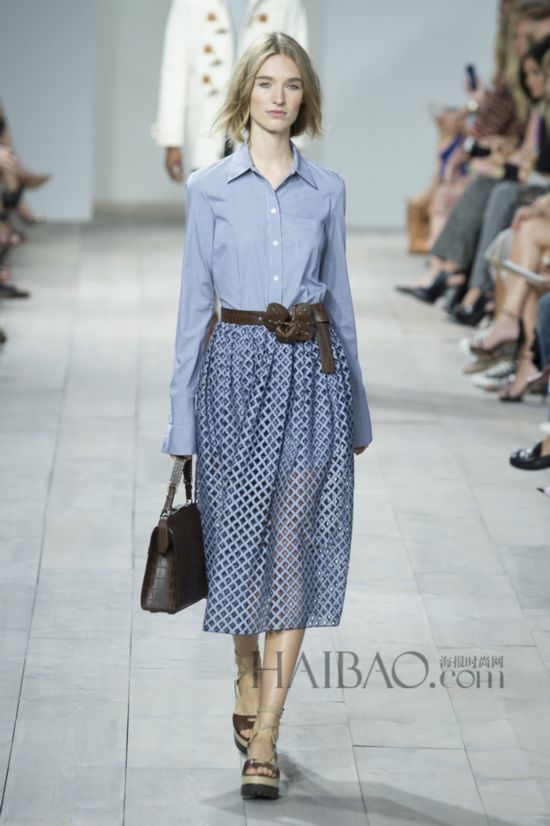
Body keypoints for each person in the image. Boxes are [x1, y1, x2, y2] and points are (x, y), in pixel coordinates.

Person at [161, 31, 372, 800]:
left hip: (311, 379)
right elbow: (193, 307)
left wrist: (357, 408)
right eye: (266, 84)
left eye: (292, 85)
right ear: (245, 93)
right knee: (236, 540)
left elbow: (340, 301)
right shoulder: (209, 189)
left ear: (304, 97)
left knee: (292, 549)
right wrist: (181, 419)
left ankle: (269, 732)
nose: (279, 97)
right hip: (234, 378)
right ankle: (245, 668)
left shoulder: (328, 190)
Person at [151, 0, 308, 180]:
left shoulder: (288, 3)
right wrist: (171, 140)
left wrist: (297, 141)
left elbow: (299, 70)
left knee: (261, 190)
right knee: (208, 188)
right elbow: (174, 71)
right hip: (206, 122)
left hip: (266, 130)